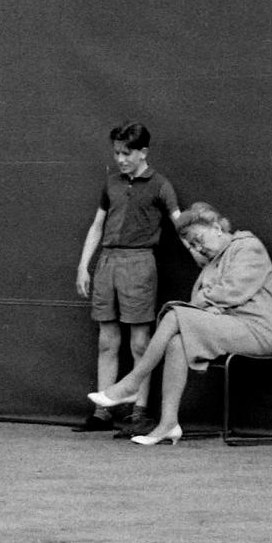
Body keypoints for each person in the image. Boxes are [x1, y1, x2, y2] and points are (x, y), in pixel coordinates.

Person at [89, 203, 272, 446]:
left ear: (216, 227)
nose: (199, 248)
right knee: (178, 342)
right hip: (230, 325)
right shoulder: (212, 261)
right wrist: (209, 303)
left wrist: (209, 303)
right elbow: (204, 298)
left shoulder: (248, 248)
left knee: (175, 314)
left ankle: (133, 382)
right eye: (193, 245)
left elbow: (231, 291)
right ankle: (168, 423)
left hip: (258, 332)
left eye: (199, 239)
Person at [73, 122, 181, 433]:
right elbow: (97, 226)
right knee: (108, 340)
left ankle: (139, 411)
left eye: (127, 153)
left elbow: (180, 223)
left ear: (143, 152)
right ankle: (102, 412)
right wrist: (84, 265)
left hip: (139, 264)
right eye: (117, 153)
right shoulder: (111, 184)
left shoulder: (160, 185)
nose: (120, 159)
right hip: (107, 263)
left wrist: (205, 254)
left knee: (139, 342)